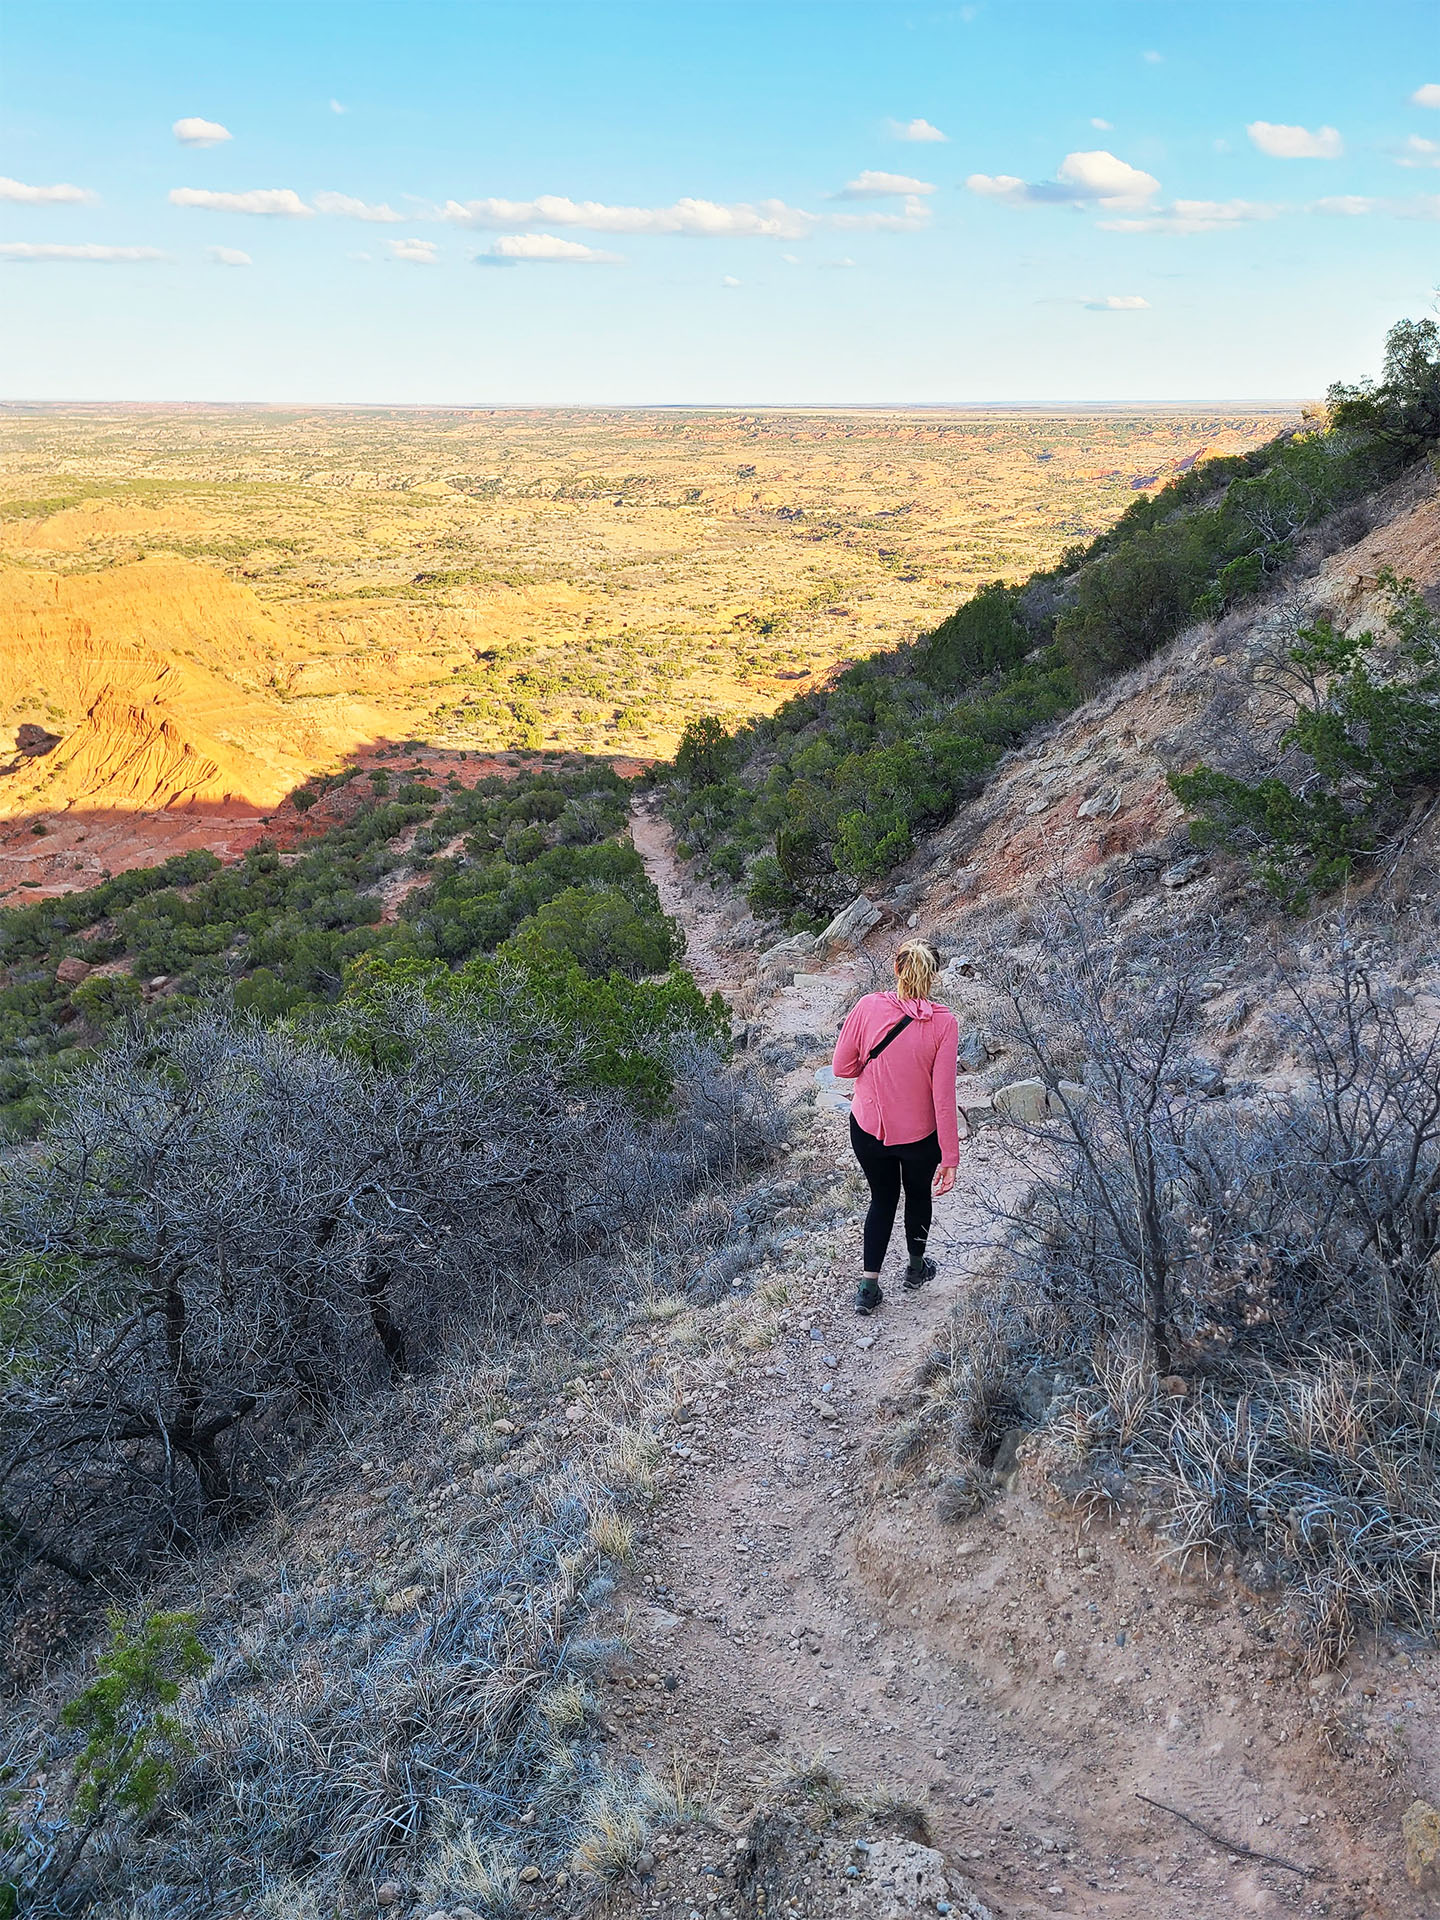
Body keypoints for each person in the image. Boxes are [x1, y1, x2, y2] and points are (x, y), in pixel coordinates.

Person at [831, 938, 966, 1316]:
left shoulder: (867, 1006)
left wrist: (869, 1070)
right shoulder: (945, 1024)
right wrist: (950, 1156)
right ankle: (916, 1268)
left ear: (897, 969)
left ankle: (868, 1287)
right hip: (920, 1137)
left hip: (868, 1129)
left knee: (882, 1198)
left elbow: (841, 1068)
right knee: (918, 1194)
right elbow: (943, 1096)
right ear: (934, 976)